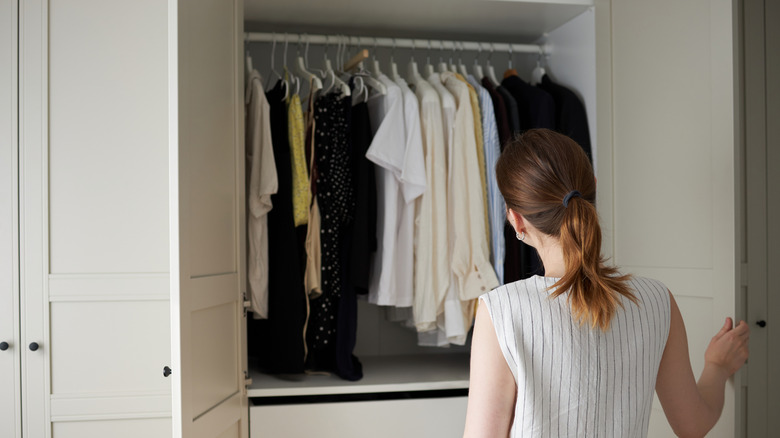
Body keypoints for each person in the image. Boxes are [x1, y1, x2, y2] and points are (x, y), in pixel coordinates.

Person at [463, 129, 749, 438]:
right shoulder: (657, 300)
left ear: (516, 220)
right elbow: (693, 426)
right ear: (593, 190)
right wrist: (717, 366)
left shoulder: (501, 311)